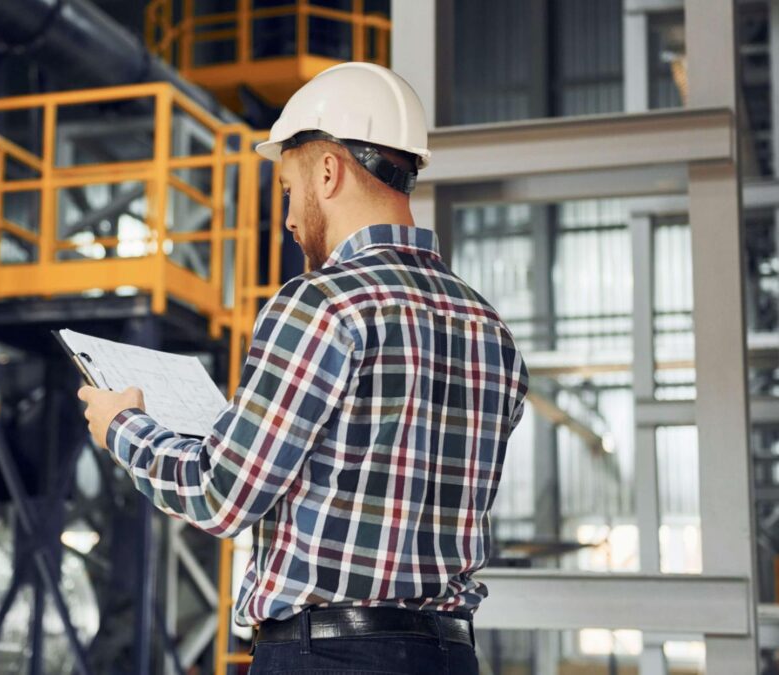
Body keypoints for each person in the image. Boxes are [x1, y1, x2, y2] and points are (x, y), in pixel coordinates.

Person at [78, 61, 529, 674]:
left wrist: (122, 427)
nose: (289, 219)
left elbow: (221, 496)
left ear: (327, 170)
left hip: (331, 653)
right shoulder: (489, 328)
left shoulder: (322, 303)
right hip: (450, 653)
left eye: (290, 190)